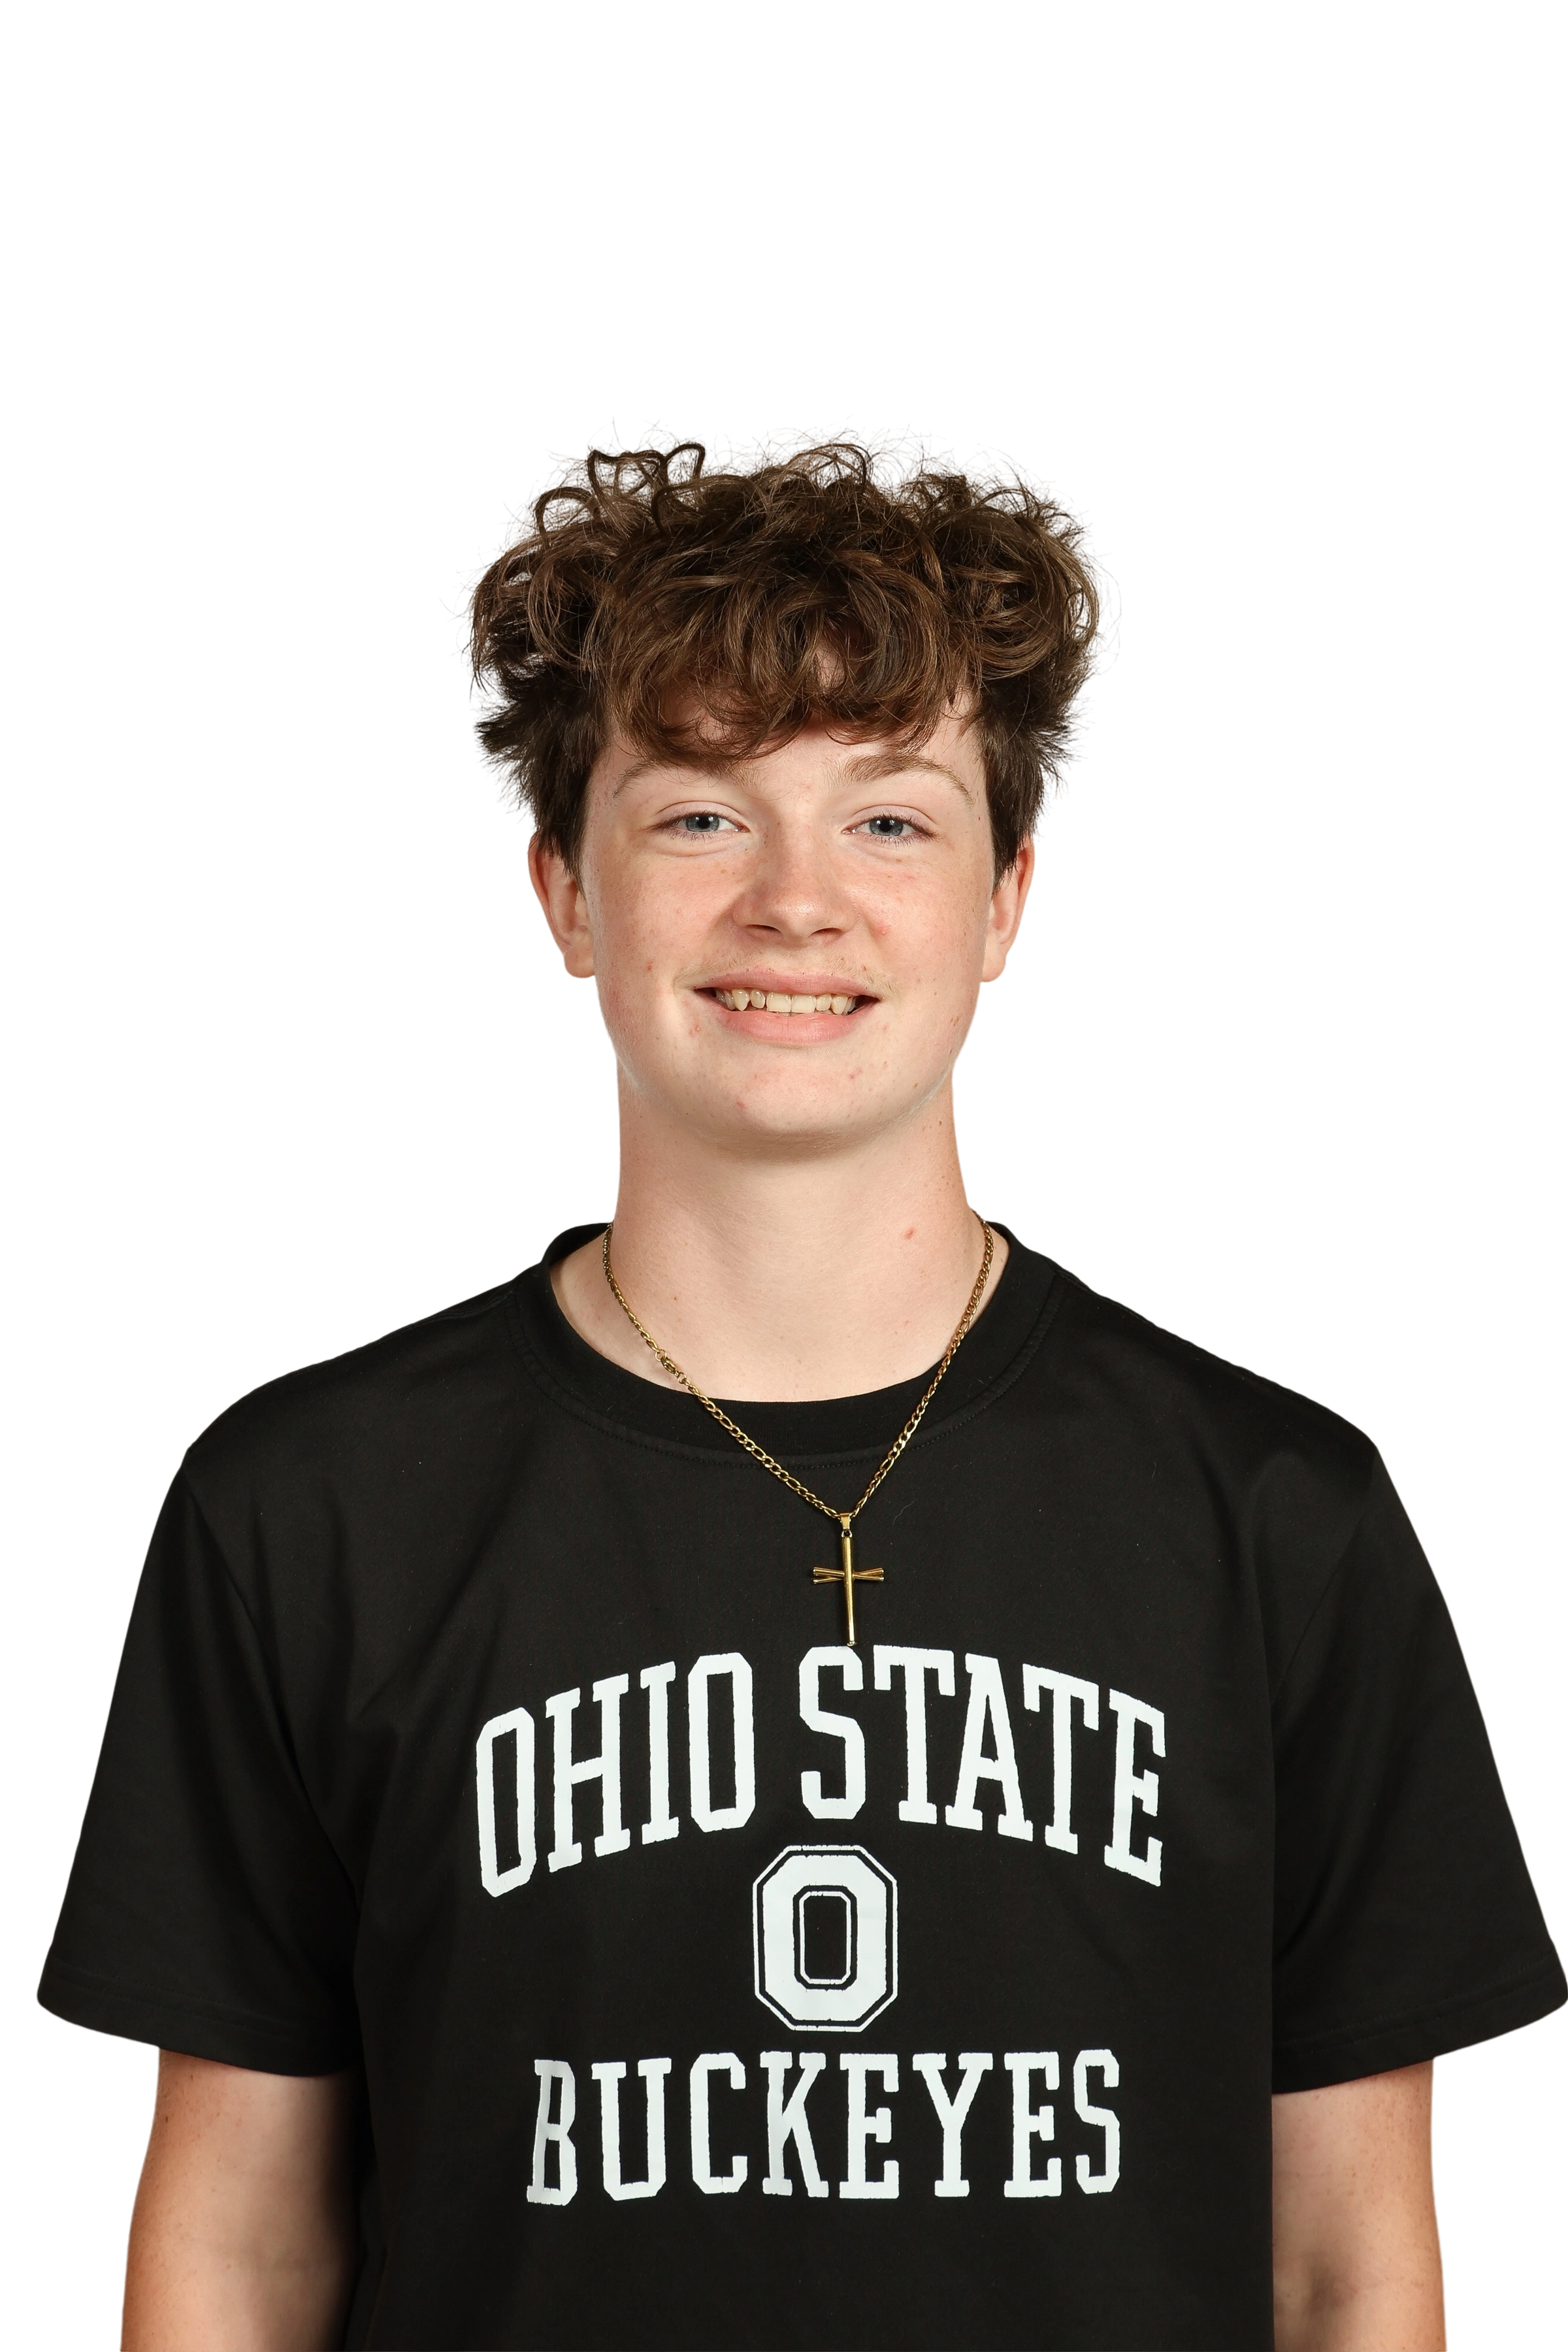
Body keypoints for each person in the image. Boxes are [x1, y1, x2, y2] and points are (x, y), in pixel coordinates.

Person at [35, 414, 1564, 2352]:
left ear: (1008, 895)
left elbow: (1348, 2270)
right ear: (561, 893)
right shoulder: (305, 1506)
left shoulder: (1278, 1514)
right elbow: (238, 2258)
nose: (794, 901)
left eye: (890, 819)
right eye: (699, 815)